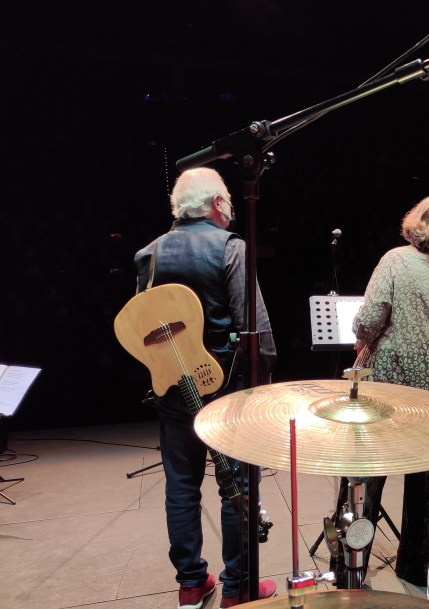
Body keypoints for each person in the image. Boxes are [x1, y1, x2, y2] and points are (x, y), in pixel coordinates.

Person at [133, 167, 277, 609]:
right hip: (227, 392)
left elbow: (142, 329)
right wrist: (265, 388)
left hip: (173, 389)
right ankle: (238, 588)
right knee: (238, 486)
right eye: (227, 199)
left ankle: (192, 585)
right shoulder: (230, 247)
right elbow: (255, 329)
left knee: (181, 486)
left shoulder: (149, 254)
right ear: (217, 203)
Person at [339, 192, 429, 587]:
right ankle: (417, 569)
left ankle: (351, 567)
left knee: (366, 475)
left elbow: (369, 319)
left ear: (419, 222)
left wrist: (361, 336)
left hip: (392, 384)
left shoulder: (396, 260)